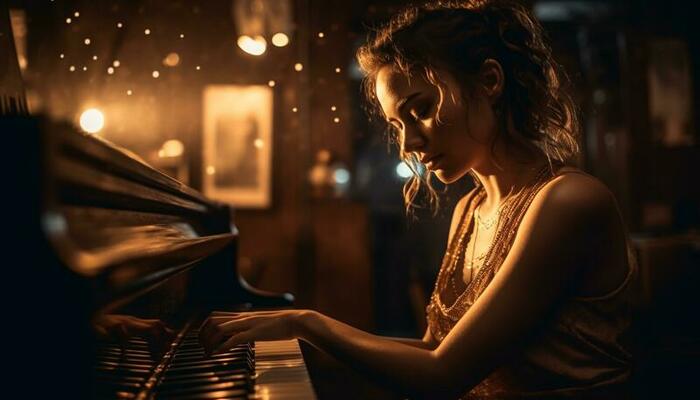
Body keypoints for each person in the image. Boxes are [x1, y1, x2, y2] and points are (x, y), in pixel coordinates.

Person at [199, 1, 639, 398]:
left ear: (489, 81)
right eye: (397, 124)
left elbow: (441, 374)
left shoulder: (568, 201)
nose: (409, 142)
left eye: (421, 109)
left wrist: (304, 323)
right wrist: (295, 350)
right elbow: (434, 348)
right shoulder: (470, 210)